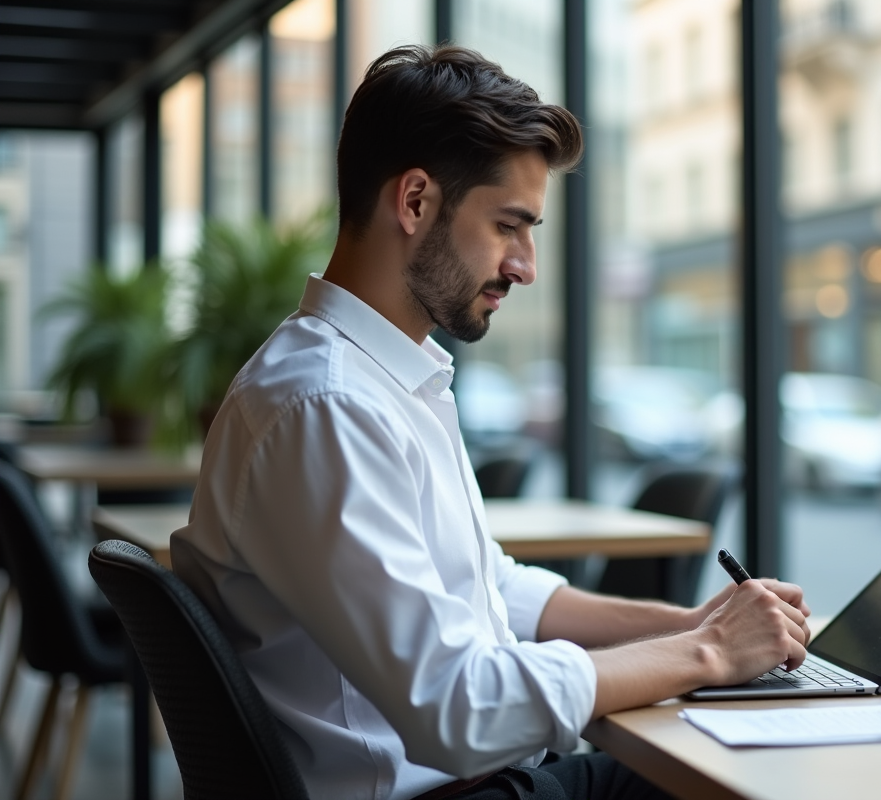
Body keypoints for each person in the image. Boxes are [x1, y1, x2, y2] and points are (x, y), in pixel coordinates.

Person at [171, 44, 812, 800]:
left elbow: (491, 589)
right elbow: (459, 707)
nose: (526, 265)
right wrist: (709, 653)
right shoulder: (328, 406)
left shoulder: (381, 381)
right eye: (510, 225)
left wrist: (688, 625)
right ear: (415, 202)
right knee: (755, 774)